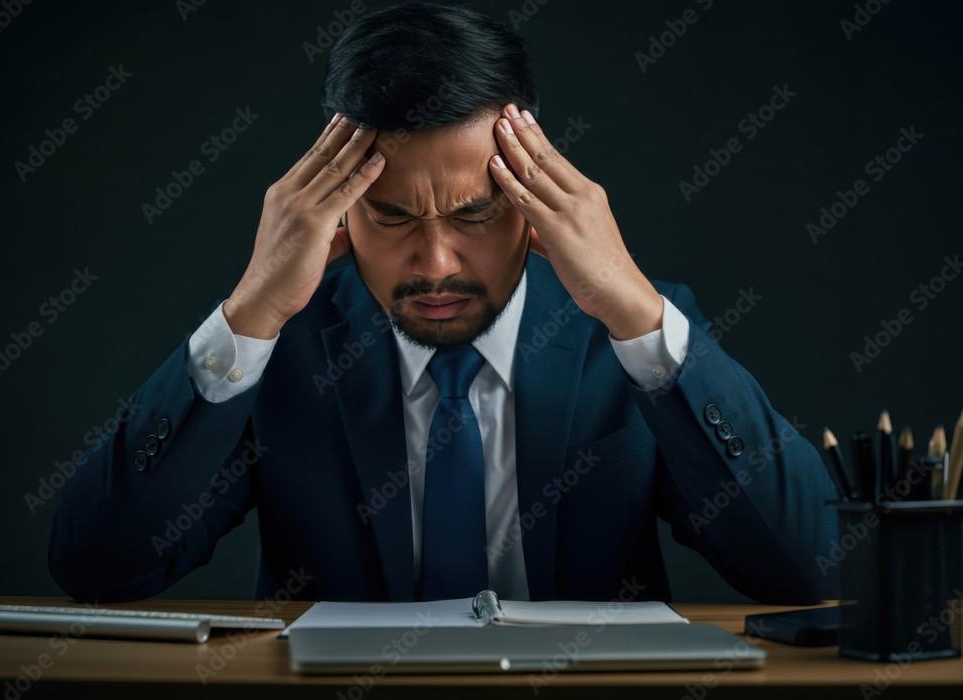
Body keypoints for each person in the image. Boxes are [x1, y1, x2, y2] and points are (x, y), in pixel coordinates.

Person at [49, 2, 837, 605]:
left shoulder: (630, 333)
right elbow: (97, 568)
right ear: (337, 211)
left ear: (533, 202)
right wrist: (249, 311)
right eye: (391, 216)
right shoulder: (278, 344)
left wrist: (635, 312)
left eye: (473, 215)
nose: (435, 264)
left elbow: (810, 567)